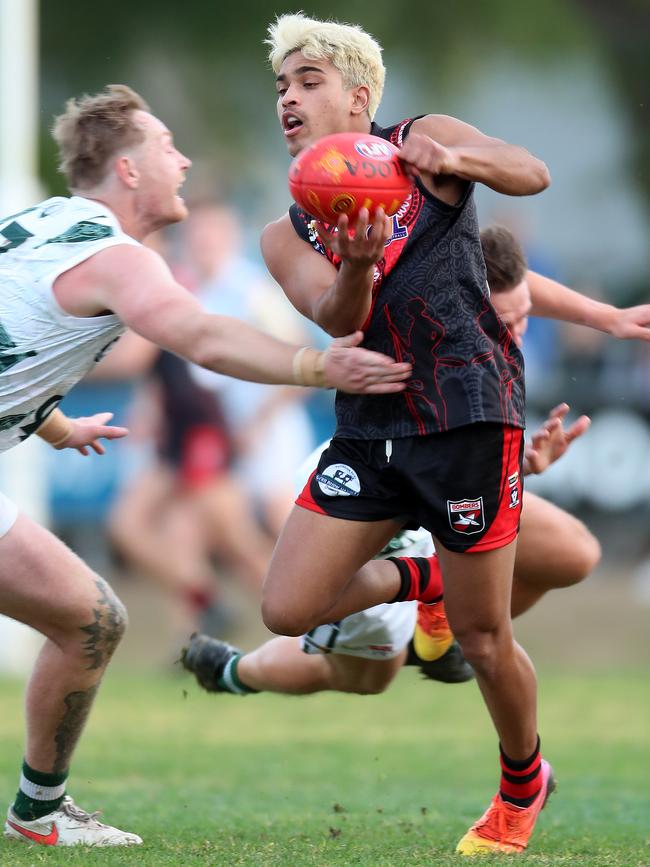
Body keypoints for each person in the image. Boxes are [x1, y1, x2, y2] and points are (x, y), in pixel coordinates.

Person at [0, 84, 411, 848]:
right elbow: (202, 335)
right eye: (165, 145)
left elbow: (13, 329)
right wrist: (320, 365)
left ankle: (40, 811)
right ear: (127, 170)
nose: (181, 159)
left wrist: (51, 424)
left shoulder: (37, 224)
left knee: (90, 620)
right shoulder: (113, 257)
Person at [257, 12, 554, 856]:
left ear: (358, 97)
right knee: (286, 607)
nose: (288, 97)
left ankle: (520, 787)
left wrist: (453, 159)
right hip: (371, 427)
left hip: (468, 415)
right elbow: (334, 318)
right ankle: (420, 575)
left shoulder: (421, 139)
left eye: (308, 80)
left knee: (486, 638)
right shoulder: (285, 230)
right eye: (281, 85)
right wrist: (355, 261)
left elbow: (530, 171)